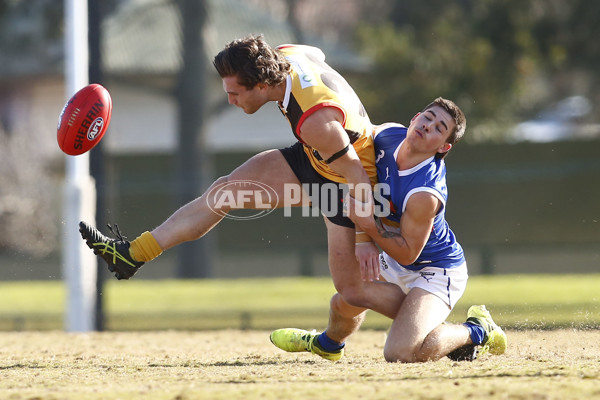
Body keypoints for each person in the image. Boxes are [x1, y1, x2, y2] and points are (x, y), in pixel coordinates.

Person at [79, 35, 410, 358]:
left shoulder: (315, 122)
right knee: (224, 192)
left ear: (262, 86)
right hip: (318, 159)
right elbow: (315, 53)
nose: (231, 101)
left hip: (349, 187)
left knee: (351, 291)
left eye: (235, 93)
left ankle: (429, 325)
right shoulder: (285, 56)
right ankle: (131, 254)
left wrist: (366, 236)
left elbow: (357, 174)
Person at [270, 97, 508, 362]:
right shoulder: (384, 135)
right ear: (415, 117)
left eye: (440, 128)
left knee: (401, 352)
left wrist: (367, 226)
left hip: (434, 270)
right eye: (428, 117)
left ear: (444, 146)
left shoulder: (425, 192)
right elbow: (348, 148)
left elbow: (408, 255)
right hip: (392, 259)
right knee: (343, 302)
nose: (429, 126)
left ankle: (477, 331)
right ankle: (328, 344)